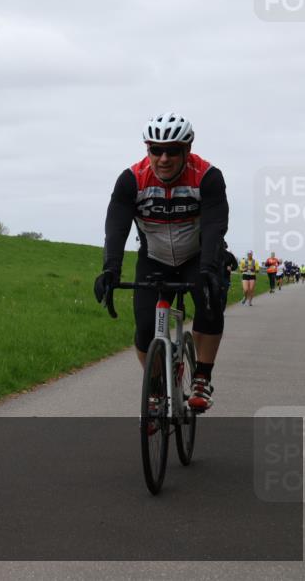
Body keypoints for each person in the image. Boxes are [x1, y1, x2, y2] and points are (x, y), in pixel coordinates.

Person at [95, 112, 228, 413]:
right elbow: (116, 227)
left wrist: (209, 269)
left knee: (210, 304)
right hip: (154, 258)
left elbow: (214, 226)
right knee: (144, 328)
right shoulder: (132, 179)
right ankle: (155, 387)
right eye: (156, 150)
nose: (163, 158)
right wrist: (110, 268)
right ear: (148, 150)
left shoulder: (207, 177)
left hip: (197, 256)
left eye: (172, 151)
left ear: (187, 150)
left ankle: (202, 379)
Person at [221, 243, 238, 310]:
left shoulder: (229, 255)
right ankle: (217, 310)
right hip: (216, 277)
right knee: (216, 294)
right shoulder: (215, 254)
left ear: (225, 247)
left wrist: (231, 268)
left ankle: (222, 309)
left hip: (226, 277)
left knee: (224, 294)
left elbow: (235, 265)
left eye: (224, 247)